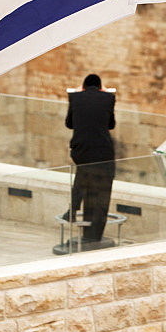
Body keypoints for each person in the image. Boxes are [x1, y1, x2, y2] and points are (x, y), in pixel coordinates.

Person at [65, 73, 116, 245]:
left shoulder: (75, 97)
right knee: (102, 191)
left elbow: (69, 123)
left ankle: (73, 208)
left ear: (83, 86)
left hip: (81, 150)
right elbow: (110, 124)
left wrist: (77, 94)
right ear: (101, 87)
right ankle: (94, 234)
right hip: (103, 151)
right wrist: (107, 93)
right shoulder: (108, 98)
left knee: (83, 172)